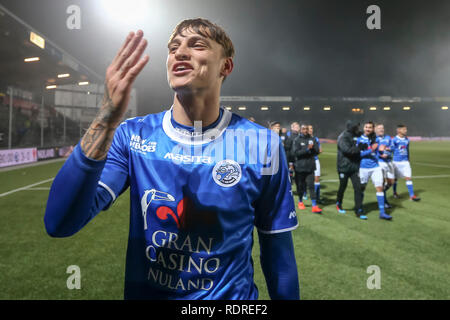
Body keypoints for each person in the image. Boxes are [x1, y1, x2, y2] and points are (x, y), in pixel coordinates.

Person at [44, 19, 299, 300]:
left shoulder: (262, 143)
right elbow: (60, 223)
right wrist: (106, 118)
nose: (180, 52)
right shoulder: (133, 136)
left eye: (196, 45)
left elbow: (279, 258)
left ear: (226, 66)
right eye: (174, 47)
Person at [356, 121, 392, 220]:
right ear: (364, 128)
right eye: (366, 127)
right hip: (363, 167)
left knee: (380, 188)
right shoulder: (359, 139)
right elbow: (358, 154)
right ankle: (359, 207)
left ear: (373, 129)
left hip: (375, 167)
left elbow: (380, 150)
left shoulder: (375, 139)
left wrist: (384, 151)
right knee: (362, 188)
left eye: (370, 127)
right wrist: (371, 150)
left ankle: (382, 213)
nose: (368, 129)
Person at [291, 124, 322, 213]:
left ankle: (314, 205)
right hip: (300, 167)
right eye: (303, 129)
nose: (305, 131)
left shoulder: (312, 139)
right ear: (301, 130)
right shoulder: (297, 140)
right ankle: (300, 202)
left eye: (306, 129)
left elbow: (317, 151)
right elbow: (296, 153)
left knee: (311, 186)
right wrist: (307, 150)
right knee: (300, 186)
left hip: (310, 166)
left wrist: (312, 150)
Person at [336, 120, 363, 216]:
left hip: (355, 166)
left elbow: (367, 138)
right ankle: (339, 203)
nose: (358, 128)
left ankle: (358, 209)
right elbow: (347, 151)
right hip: (344, 167)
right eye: (356, 126)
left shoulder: (358, 135)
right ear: (351, 127)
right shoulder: (342, 137)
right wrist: (359, 148)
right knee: (343, 186)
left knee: (358, 188)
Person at [391, 124, 421, 201]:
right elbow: (391, 150)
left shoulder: (407, 139)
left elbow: (407, 149)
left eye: (406, 129)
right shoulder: (394, 140)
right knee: (395, 179)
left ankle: (412, 196)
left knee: (408, 178)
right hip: (396, 162)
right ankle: (394, 193)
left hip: (405, 162)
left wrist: (408, 159)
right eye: (404, 129)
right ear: (399, 130)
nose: (406, 131)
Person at [375, 123, 395, 208]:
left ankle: (381, 192)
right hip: (380, 162)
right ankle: (384, 201)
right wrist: (380, 155)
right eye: (379, 128)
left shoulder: (388, 137)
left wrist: (387, 149)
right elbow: (372, 151)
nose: (381, 130)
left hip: (389, 161)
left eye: (382, 128)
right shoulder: (374, 139)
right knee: (382, 183)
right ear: (375, 130)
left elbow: (393, 147)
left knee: (391, 182)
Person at [308, 125, 322, 203]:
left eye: (311, 128)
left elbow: (320, 150)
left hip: (315, 160)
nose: (310, 130)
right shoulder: (304, 139)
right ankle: (304, 194)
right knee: (307, 179)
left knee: (317, 179)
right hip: (307, 161)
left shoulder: (315, 139)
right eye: (309, 129)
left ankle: (317, 197)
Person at [284, 122, 300, 188]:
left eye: (298, 127)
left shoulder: (300, 136)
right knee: (290, 172)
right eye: (295, 127)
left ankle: (302, 191)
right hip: (290, 157)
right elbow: (286, 147)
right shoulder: (288, 135)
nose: (297, 128)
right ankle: (289, 187)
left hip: (299, 158)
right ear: (292, 128)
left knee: (299, 175)